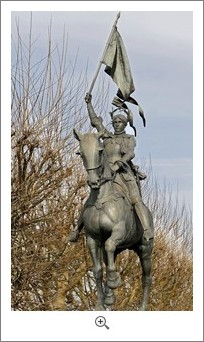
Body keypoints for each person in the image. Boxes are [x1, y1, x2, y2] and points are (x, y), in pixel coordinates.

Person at [68, 93, 153, 243]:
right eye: (114, 121)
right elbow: (95, 122)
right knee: (91, 199)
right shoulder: (107, 137)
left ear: (125, 124)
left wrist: (118, 164)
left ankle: (147, 230)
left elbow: (130, 153)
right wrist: (89, 104)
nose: (116, 124)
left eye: (120, 121)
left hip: (123, 172)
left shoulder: (129, 138)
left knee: (136, 199)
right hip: (106, 174)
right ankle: (76, 229)